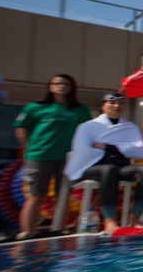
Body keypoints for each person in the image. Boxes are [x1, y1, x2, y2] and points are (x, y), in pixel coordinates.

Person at [13, 74, 91, 239]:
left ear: (72, 87)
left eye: (66, 84)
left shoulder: (80, 109)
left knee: (63, 195)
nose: (61, 86)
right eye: (57, 83)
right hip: (39, 156)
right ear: (50, 86)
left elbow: (87, 131)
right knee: (37, 194)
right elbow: (22, 130)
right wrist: (31, 148)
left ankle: (58, 230)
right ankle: (27, 232)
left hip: (68, 158)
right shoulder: (34, 107)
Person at [63, 92, 143, 233]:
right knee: (109, 169)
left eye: (121, 103)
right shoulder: (88, 126)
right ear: (103, 106)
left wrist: (107, 147)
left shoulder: (130, 127)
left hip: (120, 167)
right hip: (91, 168)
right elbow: (82, 150)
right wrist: (120, 149)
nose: (116, 106)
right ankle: (110, 221)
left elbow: (138, 151)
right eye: (112, 103)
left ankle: (135, 219)